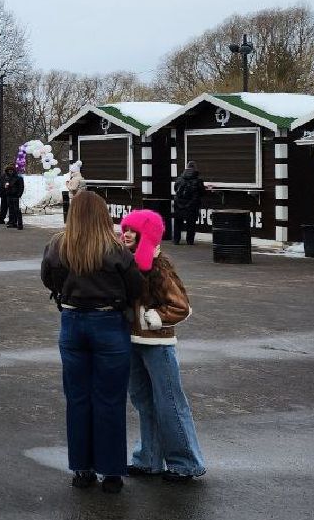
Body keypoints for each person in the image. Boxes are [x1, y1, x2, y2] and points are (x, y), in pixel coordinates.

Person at [40, 190, 144, 493]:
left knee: (77, 398)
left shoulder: (58, 245)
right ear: (103, 215)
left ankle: (81, 470)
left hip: (72, 324)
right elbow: (135, 286)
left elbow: (47, 278)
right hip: (109, 324)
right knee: (110, 399)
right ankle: (111, 473)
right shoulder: (115, 250)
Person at [118, 210, 206, 483]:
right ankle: (148, 459)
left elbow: (182, 307)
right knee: (144, 402)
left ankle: (186, 462)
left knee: (169, 402)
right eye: (125, 229)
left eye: (134, 230)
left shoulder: (160, 266)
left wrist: (156, 317)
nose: (127, 234)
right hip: (131, 342)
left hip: (157, 345)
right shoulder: (124, 262)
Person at [172, 164, 204, 246]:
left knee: (178, 223)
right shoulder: (198, 180)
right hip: (192, 205)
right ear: (195, 169)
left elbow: (175, 189)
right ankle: (189, 241)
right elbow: (202, 192)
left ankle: (176, 240)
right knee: (191, 223)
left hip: (179, 204)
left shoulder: (179, 179)